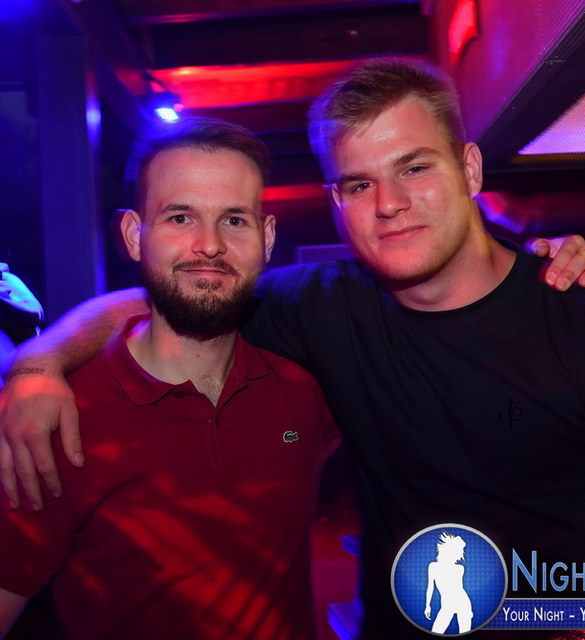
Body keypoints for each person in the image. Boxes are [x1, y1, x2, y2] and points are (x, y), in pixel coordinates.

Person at [0, 59, 585, 640]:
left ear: (469, 168)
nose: (389, 204)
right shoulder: (322, 308)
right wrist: (36, 365)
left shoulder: (584, 319)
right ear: (335, 200)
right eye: (358, 184)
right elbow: (178, 293)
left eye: (414, 167)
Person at [0, 118, 338, 640]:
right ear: (134, 236)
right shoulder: (55, 422)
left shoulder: (302, 391)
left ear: (267, 237)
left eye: (234, 219)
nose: (210, 245)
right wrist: (34, 366)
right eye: (180, 217)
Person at [424, 532, 472, 634]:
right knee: (436, 631)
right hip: (447, 605)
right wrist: (427, 605)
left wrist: (468, 610)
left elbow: (459, 588)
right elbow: (430, 587)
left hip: (463, 603)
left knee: (465, 632)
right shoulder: (433, 566)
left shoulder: (460, 568)